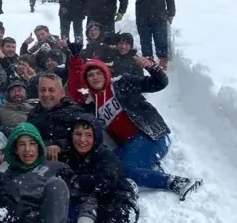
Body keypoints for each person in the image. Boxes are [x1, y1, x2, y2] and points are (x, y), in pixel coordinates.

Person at [61, 115, 174, 223]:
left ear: (96, 137)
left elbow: (104, 182)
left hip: (122, 200)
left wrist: (76, 180)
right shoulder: (70, 156)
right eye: (78, 134)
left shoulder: (105, 155)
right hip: (101, 205)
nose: (82, 139)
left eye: (88, 135)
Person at [66, 54, 202, 199]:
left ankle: (177, 182)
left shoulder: (121, 84)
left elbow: (159, 83)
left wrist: (152, 67)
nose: (95, 77)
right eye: (90, 75)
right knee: (103, 166)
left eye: (99, 73)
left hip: (151, 135)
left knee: (124, 171)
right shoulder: (92, 104)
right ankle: (150, 168)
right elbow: (75, 92)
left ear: (106, 74)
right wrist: (75, 63)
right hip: (127, 146)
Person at [3, 123, 89, 223]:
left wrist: (87, 217)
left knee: (57, 185)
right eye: (22, 145)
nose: (27, 149)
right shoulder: (7, 177)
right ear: (15, 150)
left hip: (50, 222)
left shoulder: (55, 166)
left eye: (32, 143)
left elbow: (83, 194)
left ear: (39, 146)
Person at [128, 0, 176, 70]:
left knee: (161, 41)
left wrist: (171, 13)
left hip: (159, 15)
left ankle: (163, 66)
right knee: (145, 42)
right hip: (142, 17)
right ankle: (149, 66)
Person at [27, 73, 83, 160]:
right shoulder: (33, 114)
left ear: (62, 93)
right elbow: (25, 137)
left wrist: (60, 145)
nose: (46, 94)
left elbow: (85, 140)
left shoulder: (75, 113)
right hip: (39, 164)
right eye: (42, 90)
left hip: (71, 162)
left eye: (51, 90)